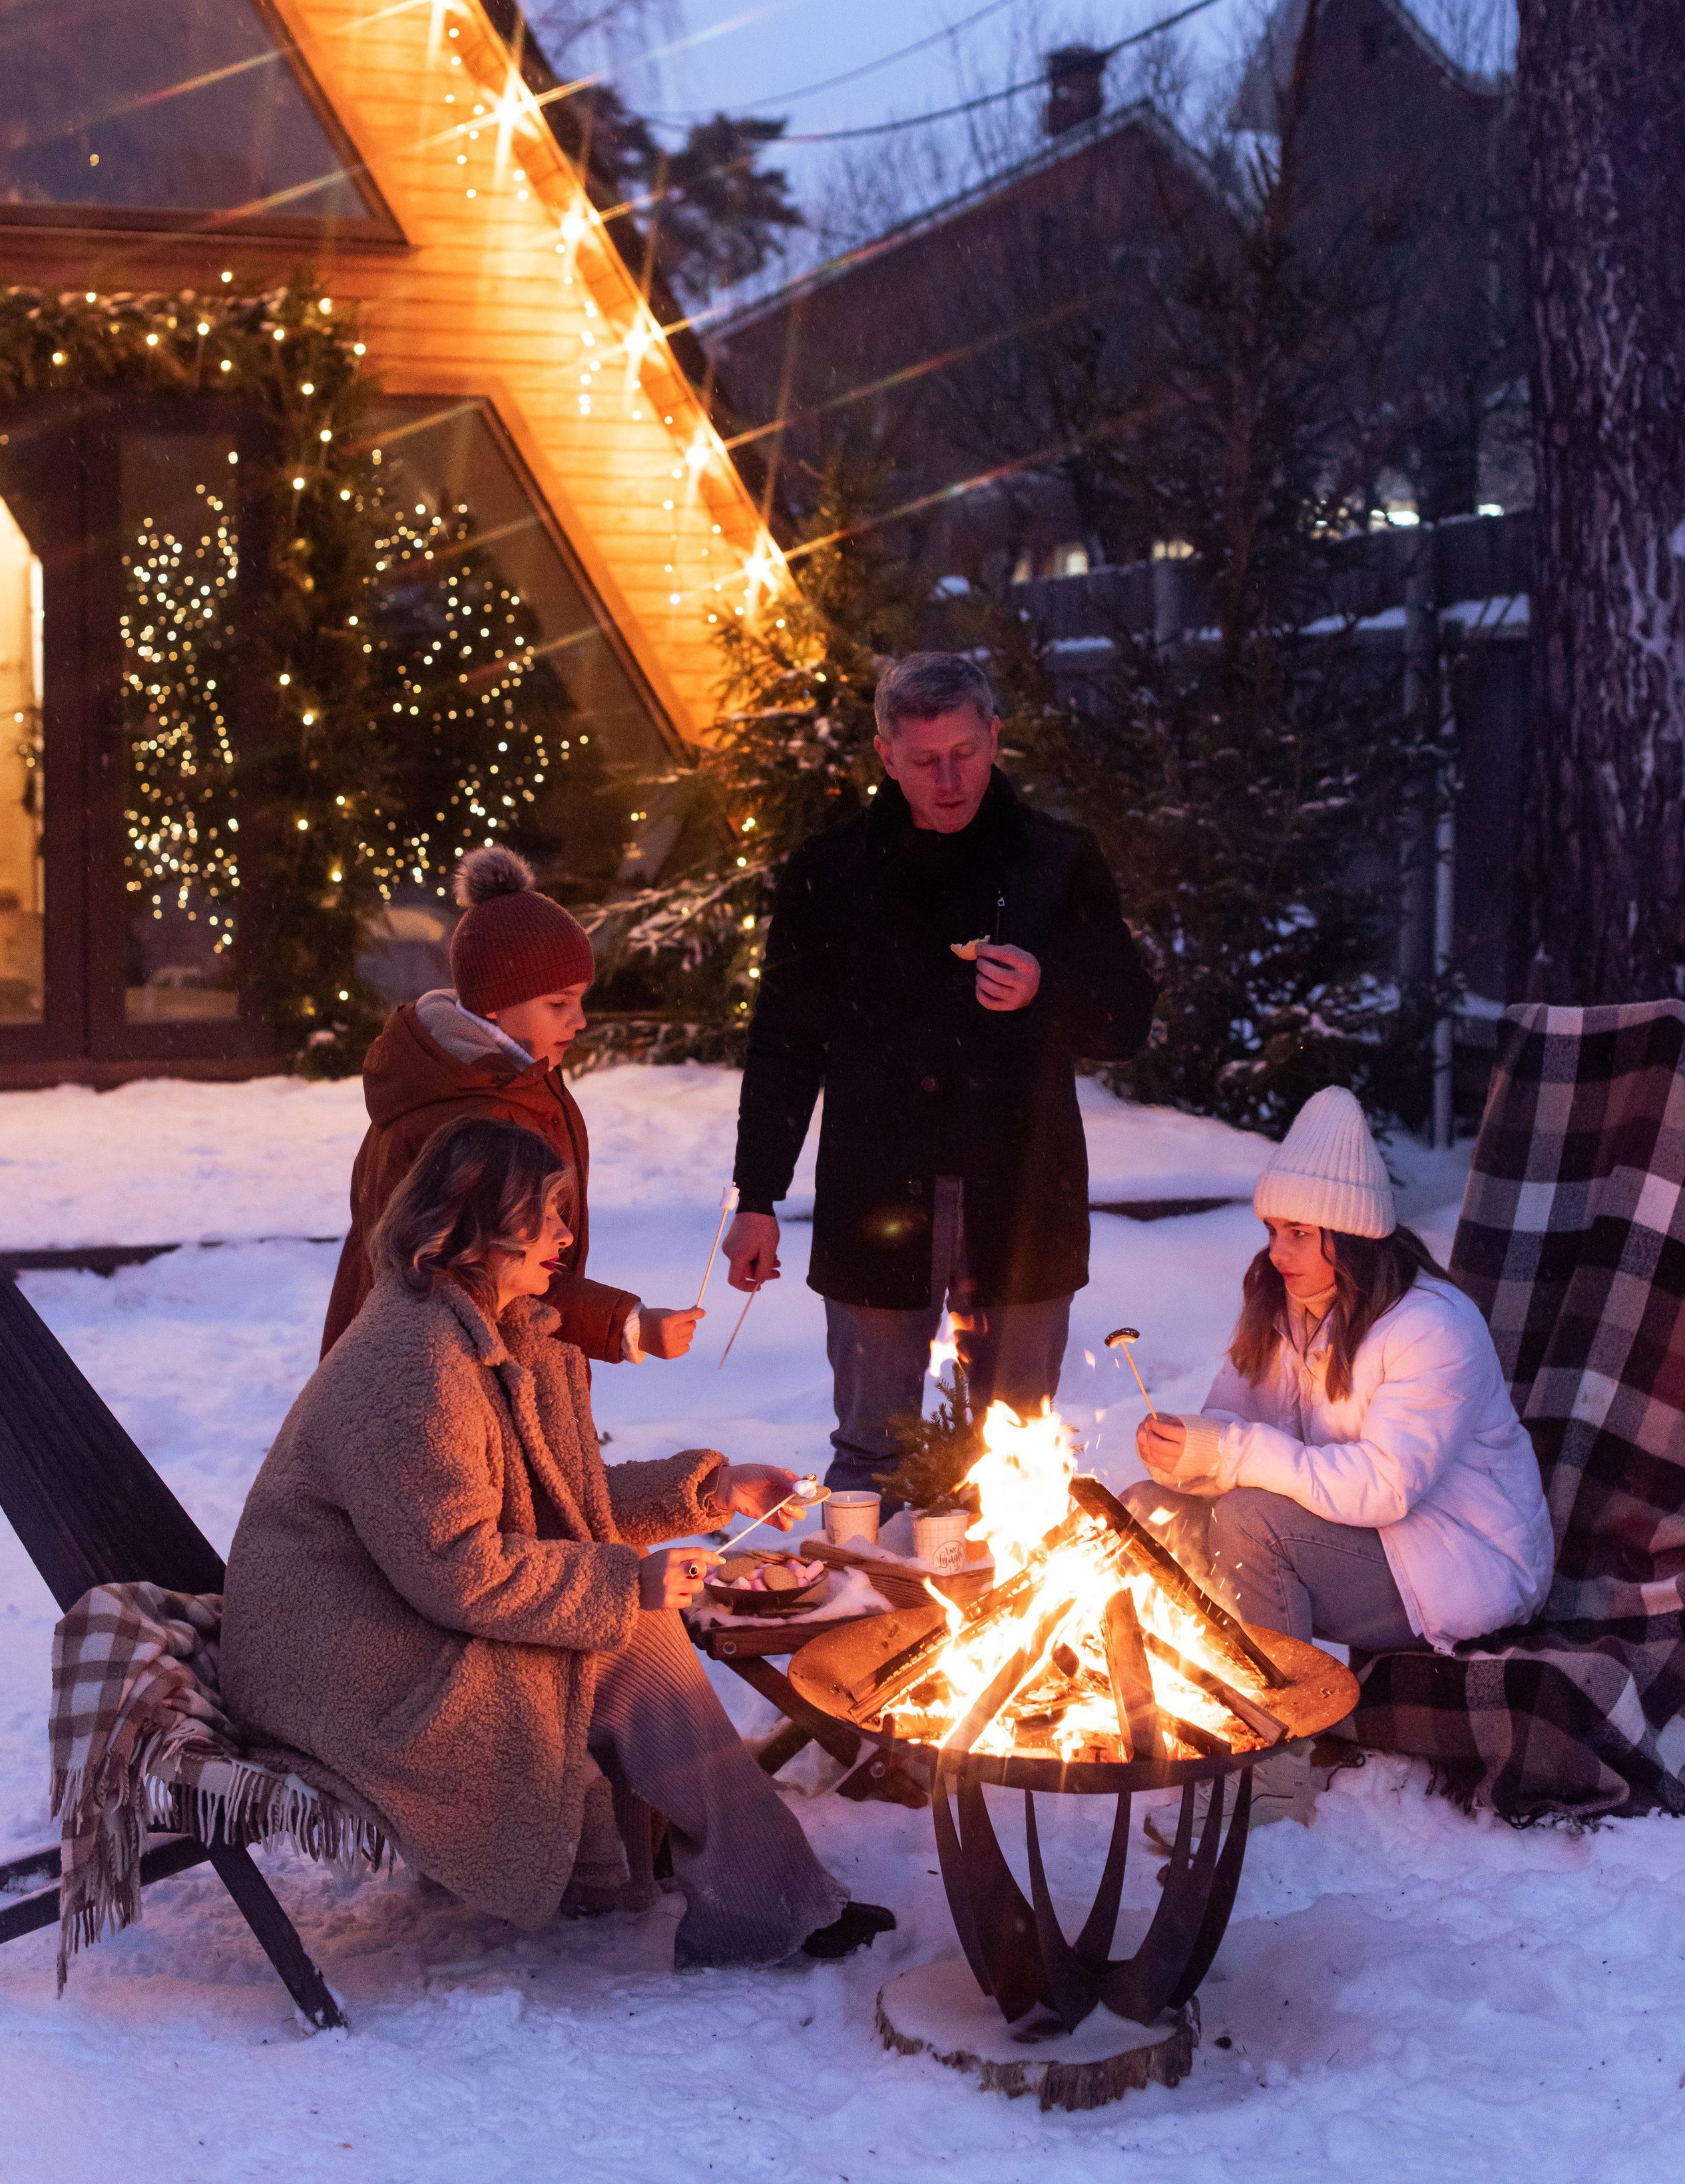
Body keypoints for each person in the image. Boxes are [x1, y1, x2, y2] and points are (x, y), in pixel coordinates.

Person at [222, 1114, 894, 1968]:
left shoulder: (497, 1331)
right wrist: (627, 1585)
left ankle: (766, 1892)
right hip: (340, 1667)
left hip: (396, 1622)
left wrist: (709, 1491)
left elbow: (557, 1511)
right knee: (626, 1631)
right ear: (474, 1225)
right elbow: (460, 1571)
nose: (567, 1235)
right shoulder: (415, 1362)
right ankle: (770, 1899)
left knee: (625, 1623)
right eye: (545, 1215)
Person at [723, 650, 1156, 1494]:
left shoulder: (1055, 861)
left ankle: (1006, 1620)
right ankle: (864, 1613)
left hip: (1026, 1199)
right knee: (871, 1452)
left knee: (1016, 1454)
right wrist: (756, 1196)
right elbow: (783, 1041)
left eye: (965, 751)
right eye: (924, 760)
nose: (949, 777)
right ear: (886, 754)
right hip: (875, 1197)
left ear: (995, 736)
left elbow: (1129, 1018)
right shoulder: (830, 872)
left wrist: (1046, 992)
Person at [1126, 1083, 1554, 1831]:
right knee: (1146, 1510)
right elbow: (1237, 1417)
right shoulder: (1285, 1300)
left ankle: (1279, 1768)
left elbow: (1384, 1488)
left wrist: (1232, 1455)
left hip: (1459, 1562)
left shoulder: (1430, 1328)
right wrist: (1188, 1450)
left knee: (1251, 1520)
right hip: (1359, 1536)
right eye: (1270, 1228)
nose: (1276, 1250)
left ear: (1349, 1235)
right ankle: (1181, 1710)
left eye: (1296, 1231)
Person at [320, 846, 701, 1370]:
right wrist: (628, 1325)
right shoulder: (474, 1117)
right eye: (558, 1003)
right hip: (453, 1370)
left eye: (581, 999)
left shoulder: (505, 1081)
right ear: (494, 1004)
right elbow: (491, 1274)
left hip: (480, 1356)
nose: (580, 1020)